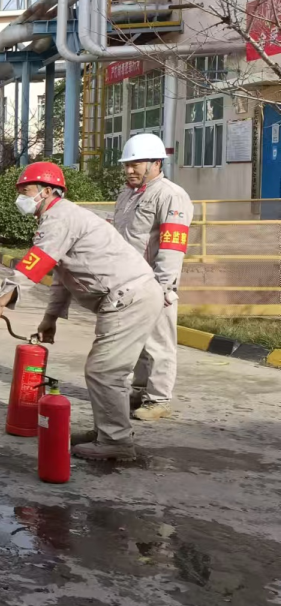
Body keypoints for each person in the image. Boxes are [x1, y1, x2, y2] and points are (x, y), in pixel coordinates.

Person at [0, 161, 162, 463]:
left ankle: (115, 441)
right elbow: (62, 276)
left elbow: (35, 263)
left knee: (105, 370)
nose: (21, 198)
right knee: (103, 369)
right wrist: (50, 319)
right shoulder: (60, 216)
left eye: (27, 191)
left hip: (131, 298)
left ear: (47, 191)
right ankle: (106, 432)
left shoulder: (60, 218)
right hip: (129, 296)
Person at [111, 133, 191, 422]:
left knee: (158, 343)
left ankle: (159, 399)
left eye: (136, 164)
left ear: (156, 163)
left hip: (155, 284)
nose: (129, 170)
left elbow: (172, 246)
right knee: (138, 342)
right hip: (128, 283)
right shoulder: (128, 195)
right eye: (127, 164)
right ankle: (139, 390)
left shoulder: (171, 195)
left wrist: (163, 287)